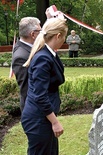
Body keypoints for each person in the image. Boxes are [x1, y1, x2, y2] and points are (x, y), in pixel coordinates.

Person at [21, 18, 68, 154]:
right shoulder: (43, 58)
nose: (64, 40)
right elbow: (40, 96)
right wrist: (55, 122)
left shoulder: (49, 53)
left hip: (43, 118)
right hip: (38, 120)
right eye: (63, 36)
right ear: (58, 36)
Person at [12, 17, 41, 111]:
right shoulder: (21, 57)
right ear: (33, 34)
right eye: (40, 32)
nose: (43, 34)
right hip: (34, 110)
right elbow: (27, 90)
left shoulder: (26, 47)